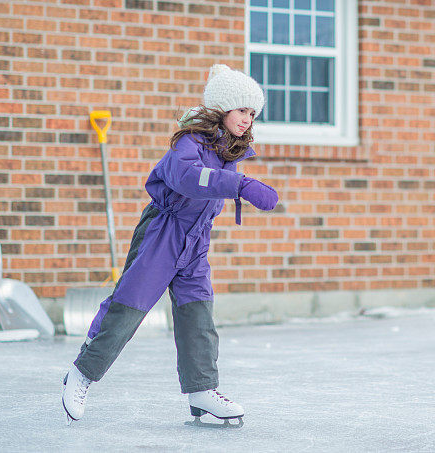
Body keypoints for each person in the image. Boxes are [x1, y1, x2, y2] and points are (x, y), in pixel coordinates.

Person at [62, 64, 279, 425]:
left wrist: (236, 180)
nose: (247, 119)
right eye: (242, 109)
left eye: (253, 113)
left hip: (195, 241)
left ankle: (201, 389)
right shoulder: (188, 141)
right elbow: (187, 178)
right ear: (222, 108)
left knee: (198, 315)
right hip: (163, 232)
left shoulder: (229, 150)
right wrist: (239, 186)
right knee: (129, 308)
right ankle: (81, 373)